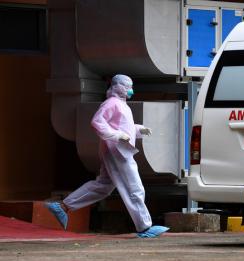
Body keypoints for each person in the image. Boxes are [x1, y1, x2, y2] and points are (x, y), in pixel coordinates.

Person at [46, 74, 169, 238]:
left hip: (117, 149)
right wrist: (116, 135)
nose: (129, 90)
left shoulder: (121, 104)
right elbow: (97, 122)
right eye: (126, 86)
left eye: (130, 86)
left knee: (103, 186)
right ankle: (144, 227)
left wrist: (139, 130)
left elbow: (124, 126)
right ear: (117, 86)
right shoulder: (112, 103)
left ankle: (63, 206)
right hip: (117, 150)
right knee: (133, 187)